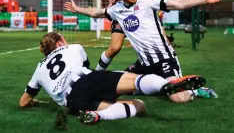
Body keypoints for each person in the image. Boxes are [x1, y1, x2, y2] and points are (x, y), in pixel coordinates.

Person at [64, 0, 224, 102]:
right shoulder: (116, 10)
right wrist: (77, 9)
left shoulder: (148, 1)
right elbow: (96, 12)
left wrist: (204, 0)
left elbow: (178, 4)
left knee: (177, 97)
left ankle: (197, 91)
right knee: (115, 87)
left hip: (164, 61)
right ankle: (149, 85)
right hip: (143, 64)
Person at [19, 32, 205, 124]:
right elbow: (87, 68)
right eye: (63, 39)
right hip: (86, 80)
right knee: (132, 79)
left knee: (138, 105)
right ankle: (166, 85)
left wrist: (34, 101)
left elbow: (23, 102)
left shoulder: (38, 68)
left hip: (73, 102)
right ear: (59, 42)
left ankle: (98, 116)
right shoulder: (74, 47)